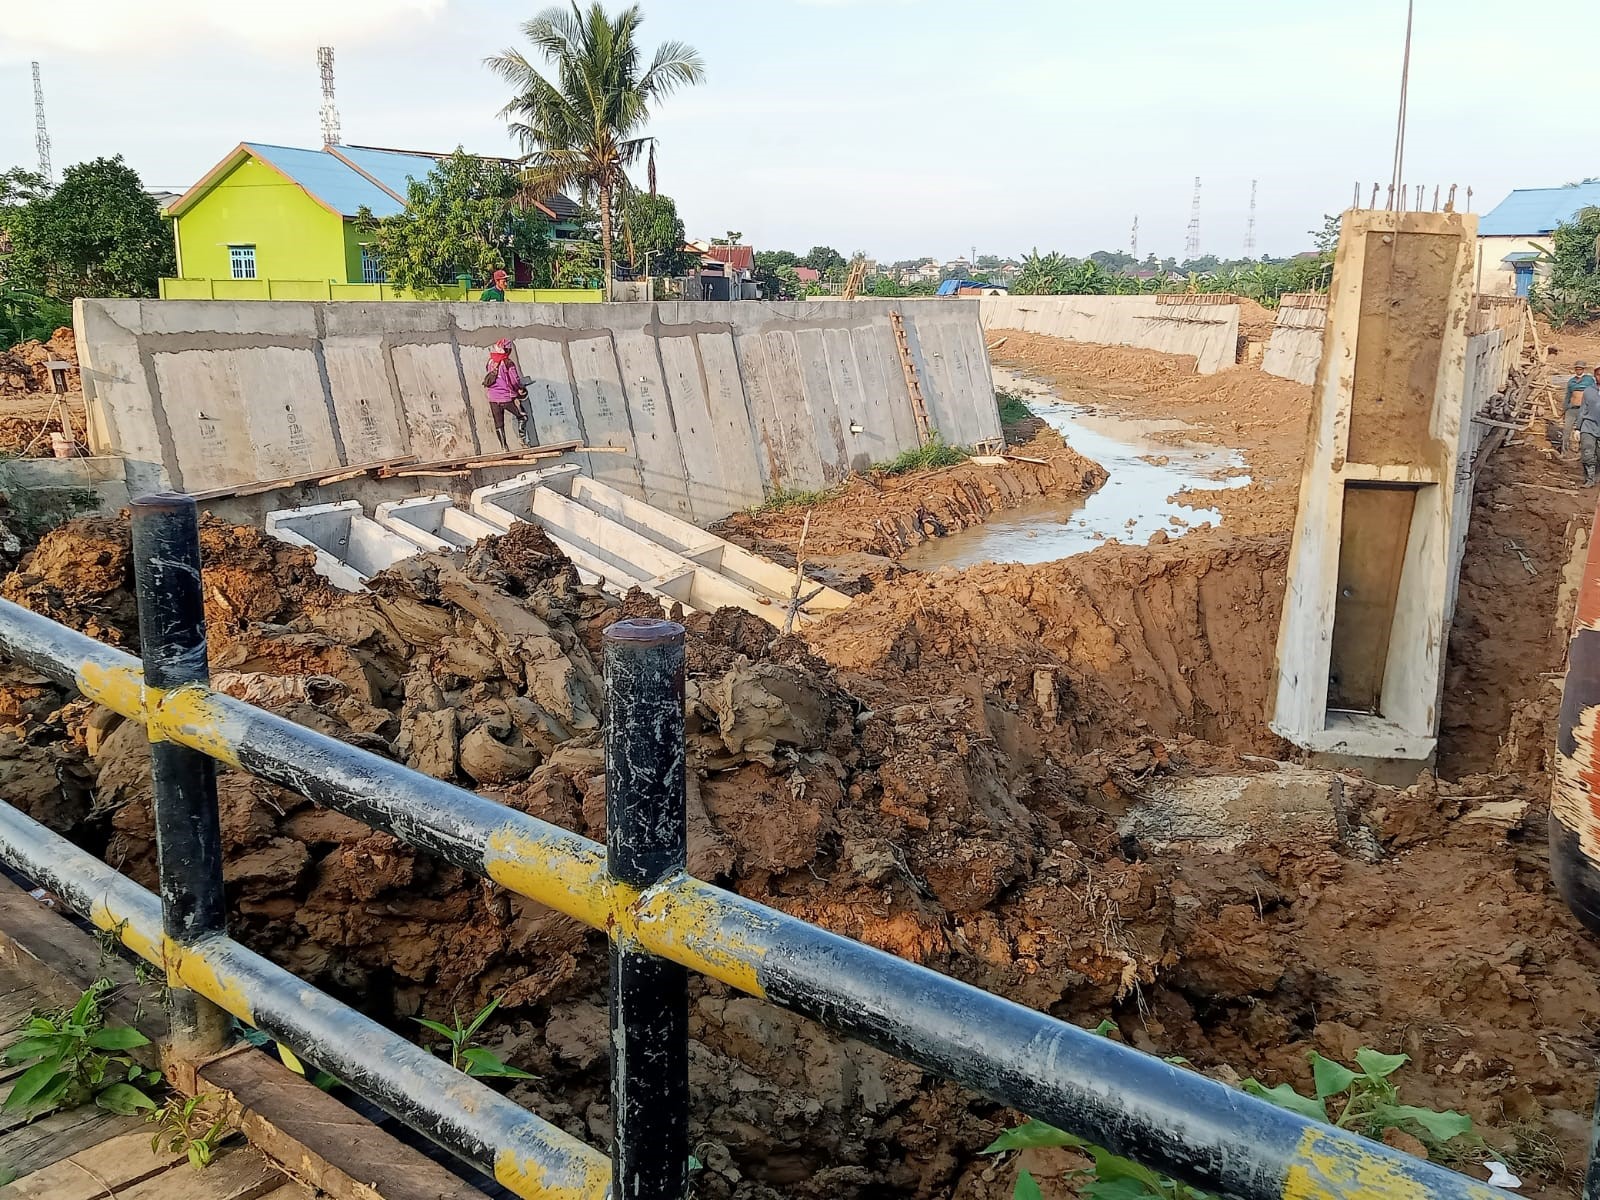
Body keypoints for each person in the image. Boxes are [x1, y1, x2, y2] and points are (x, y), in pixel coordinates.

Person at [482, 339, 528, 450]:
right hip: (507, 397)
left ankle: (504, 447)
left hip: (493, 398)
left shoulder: (490, 361)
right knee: (522, 416)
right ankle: (522, 440)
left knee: (499, 424)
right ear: (507, 350)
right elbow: (515, 380)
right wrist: (520, 389)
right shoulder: (508, 363)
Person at [1565, 361, 1596, 454]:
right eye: (1577, 369)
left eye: (1580, 369)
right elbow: (1568, 395)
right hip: (1572, 408)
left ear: (1583, 369)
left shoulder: (1589, 380)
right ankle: (1565, 452)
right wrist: (1565, 407)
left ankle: (1583, 453)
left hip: (1584, 409)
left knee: (1583, 431)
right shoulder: (1571, 381)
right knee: (1566, 430)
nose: (1578, 370)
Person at [1577, 371, 1600, 487]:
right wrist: (1577, 428)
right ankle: (1589, 479)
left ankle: (1597, 476)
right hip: (1588, 425)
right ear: (1595, 376)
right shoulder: (1588, 391)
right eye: (1598, 374)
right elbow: (1582, 410)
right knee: (1587, 453)